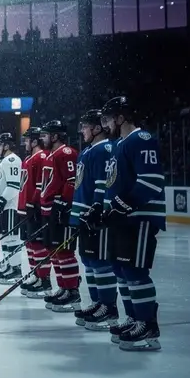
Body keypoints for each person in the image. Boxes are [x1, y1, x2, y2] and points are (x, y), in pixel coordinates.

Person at [96, 96, 165, 351]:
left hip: (140, 217)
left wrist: (122, 206)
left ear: (121, 117)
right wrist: (101, 207)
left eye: (109, 118)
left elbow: (151, 181)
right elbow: (113, 182)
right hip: (124, 218)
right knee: (121, 270)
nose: (105, 123)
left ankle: (147, 324)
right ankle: (134, 318)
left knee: (135, 271)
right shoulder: (118, 144)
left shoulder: (141, 139)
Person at [69, 110, 116, 328]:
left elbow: (103, 184)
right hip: (83, 215)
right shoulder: (89, 151)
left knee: (99, 262)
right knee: (88, 261)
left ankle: (108, 307)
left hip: (94, 215)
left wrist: (97, 208)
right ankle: (98, 302)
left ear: (97, 128)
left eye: (86, 126)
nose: (82, 130)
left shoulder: (103, 150)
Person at [35, 120, 79, 310]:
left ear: (55, 136)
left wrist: (63, 203)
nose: (42, 138)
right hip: (49, 210)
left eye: (45, 135)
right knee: (54, 251)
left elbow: (71, 180)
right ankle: (63, 287)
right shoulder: (51, 155)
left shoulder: (66, 152)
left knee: (65, 251)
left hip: (61, 210)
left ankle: (73, 292)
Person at [18, 127, 49, 296]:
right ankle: (36, 275)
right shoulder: (30, 158)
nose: (25, 143)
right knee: (30, 244)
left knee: (38, 245)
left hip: (34, 208)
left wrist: (34, 204)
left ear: (35, 141)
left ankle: (44, 280)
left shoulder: (41, 157)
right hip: (25, 208)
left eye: (28, 140)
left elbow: (40, 184)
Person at [0, 133, 23, 283]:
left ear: (7, 146)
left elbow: (13, 186)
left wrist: (0, 201)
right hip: (4, 205)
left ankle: (16, 269)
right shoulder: (3, 161)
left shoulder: (12, 160)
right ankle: (8, 265)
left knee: (11, 239)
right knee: (4, 238)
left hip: (10, 206)